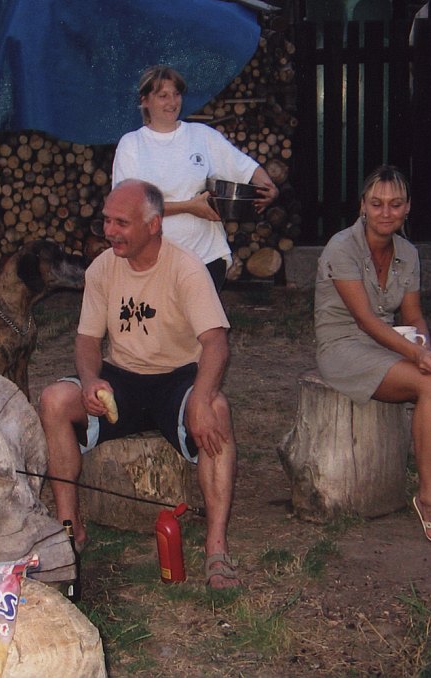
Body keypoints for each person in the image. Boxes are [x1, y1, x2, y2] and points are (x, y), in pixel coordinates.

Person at [40, 179, 240, 589]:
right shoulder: (102, 268)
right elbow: (87, 340)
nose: (110, 231)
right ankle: (69, 529)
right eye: (107, 221)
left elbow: (216, 342)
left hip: (176, 378)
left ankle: (216, 548)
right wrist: (90, 379)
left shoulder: (186, 268)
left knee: (217, 410)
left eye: (121, 223)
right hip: (122, 379)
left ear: (153, 225)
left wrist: (201, 398)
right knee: (54, 399)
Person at [314, 165, 431, 547]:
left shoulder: (408, 253)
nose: (386, 212)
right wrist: (413, 353)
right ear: (363, 206)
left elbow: (413, 316)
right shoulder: (341, 247)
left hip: (384, 343)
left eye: (395, 204)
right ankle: (429, 495)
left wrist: (425, 347)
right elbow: (364, 320)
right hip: (343, 346)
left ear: (408, 207)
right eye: (377, 203)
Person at [112, 64, 279, 291]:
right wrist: (189, 207)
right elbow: (129, 209)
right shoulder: (131, 144)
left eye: (176, 94)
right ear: (145, 100)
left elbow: (242, 166)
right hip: (152, 258)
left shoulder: (202, 135)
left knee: (203, 315)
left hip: (205, 256)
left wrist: (268, 186)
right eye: (163, 96)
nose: (172, 102)